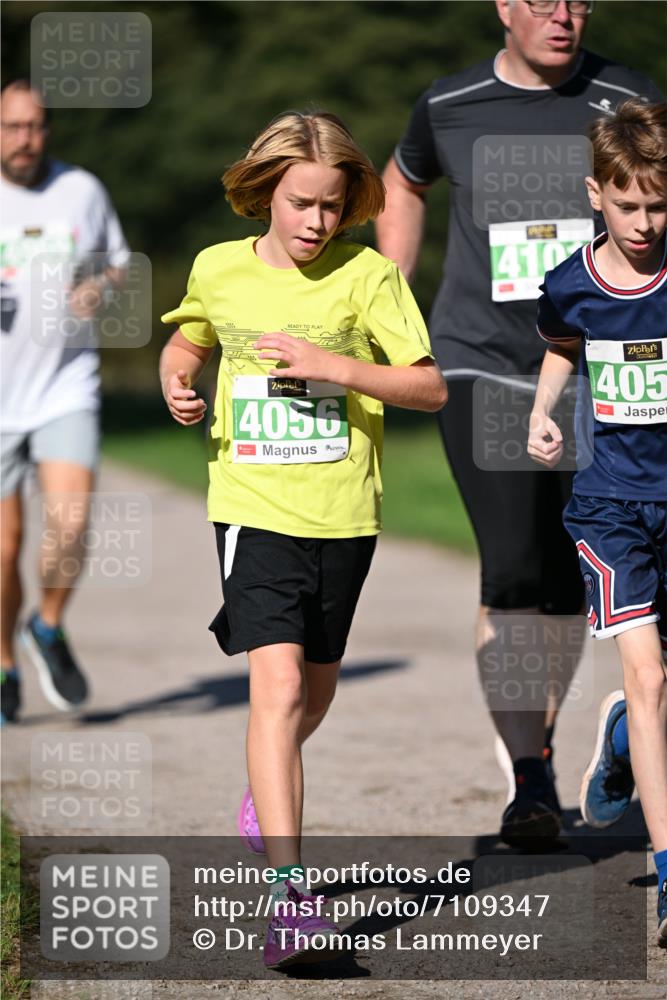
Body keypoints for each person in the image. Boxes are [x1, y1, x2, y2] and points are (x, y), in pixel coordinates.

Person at [159, 110, 446, 969]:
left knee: (313, 693)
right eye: (300, 203)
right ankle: (291, 900)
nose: (316, 221)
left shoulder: (368, 276)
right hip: (252, 505)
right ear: (265, 195)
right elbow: (187, 343)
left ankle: (265, 790)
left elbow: (429, 388)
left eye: (331, 205)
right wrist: (179, 382)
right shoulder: (218, 268)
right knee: (277, 687)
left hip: (343, 511)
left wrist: (338, 368)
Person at [376, 0, 663, 846]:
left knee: (568, 577)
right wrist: (389, 298)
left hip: (597, 370)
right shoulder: (449, 103)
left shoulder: (626, 96)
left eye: (576, 0)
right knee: (509, 569)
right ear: (503, 6)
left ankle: (590, 734)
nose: (562, 15)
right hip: (480, 361)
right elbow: (402, 181)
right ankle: (529, 775)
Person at [527, 98, 667, 946]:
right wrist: (542, 410)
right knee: (646, 676)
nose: (644, 223)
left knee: (656, 689)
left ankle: (621, 741)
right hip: (610, 505)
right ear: (595, 195)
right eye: (627, 205)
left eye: (658, 205)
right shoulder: (569, 284)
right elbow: (559, 345)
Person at [0, 80, 128, 724]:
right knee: (4, 551)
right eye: (13, 127)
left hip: (64, 386)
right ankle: (3, 662)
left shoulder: (82, 190)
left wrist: (98, 286)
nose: (26, 139)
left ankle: (46, 625)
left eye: (36, 126)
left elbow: (117, 263)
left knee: (71, 525)